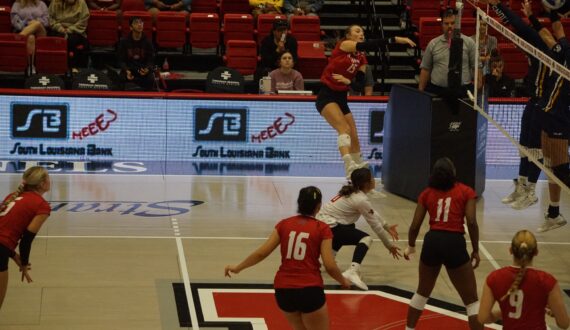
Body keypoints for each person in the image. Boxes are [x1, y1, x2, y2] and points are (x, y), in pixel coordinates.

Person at [224, 186, 351, 330]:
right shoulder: (322, 228)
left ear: (299, 203)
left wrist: (238, 267)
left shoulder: (284, 224)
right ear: (319, 206)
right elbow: (330, 265)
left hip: (283, 291)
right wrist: (343, 281)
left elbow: (261, 253)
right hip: (309, 290)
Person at [315, 24, 415, 179]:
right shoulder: (344, 45)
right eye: (357, 31)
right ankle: (348, 164)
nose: (361, 33)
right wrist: (395, 39)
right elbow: (369, 44)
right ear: (348, 35)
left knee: (353, 133)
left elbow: (359, 84)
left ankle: (358, 165)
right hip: (326, 95)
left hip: (342, 97)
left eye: (362, 31)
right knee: (344, 128)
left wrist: (347, 82)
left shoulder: (361, 58)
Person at [483, 0, 550, 216]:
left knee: (536, 148)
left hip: (545, 102)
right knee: (524, 145)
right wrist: (529, 15)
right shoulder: (533, 45)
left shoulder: (542, 48)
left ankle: (531, 190)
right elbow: (519, 27)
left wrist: (498, 5)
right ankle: (521, 185)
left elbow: (517, 25)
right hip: (533, 98)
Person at [404, 157, 482, 330]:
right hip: (454, 242)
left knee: (422, 292)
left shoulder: (427, 193)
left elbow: (415, 225)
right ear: (453, 173)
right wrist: (475, 250)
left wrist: (410, 246)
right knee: (471, 301)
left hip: (432, 241)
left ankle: (409, 329)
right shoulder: (466, 191)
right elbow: (471, 222)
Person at [316, 167, 401, 291]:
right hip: (328, 226)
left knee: (348, 226)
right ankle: (352, 271)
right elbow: (375, 226)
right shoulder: (360, 199)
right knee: (366, 238)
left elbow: (371, 212)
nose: (374, 180)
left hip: (324, 224)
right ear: (366, 183)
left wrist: (387, 226)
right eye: (372, 178)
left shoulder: (354, 192)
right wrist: (389, 246)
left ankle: (326, 258)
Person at [478, 229, 570, 329]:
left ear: (510, 250)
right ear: (536, 252)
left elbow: (483, 318)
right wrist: (555, 312)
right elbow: (564, 324)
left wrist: (502, 313)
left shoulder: (494, 278)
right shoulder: (547, 281)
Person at [0, 166, 51, 310]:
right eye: (48, 177)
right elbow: (27, 239)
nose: (50, 179)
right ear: (42, 184)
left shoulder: (11, 196)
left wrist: (14, 255)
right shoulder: (42, 205)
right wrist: (24, 263)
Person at [418, 8, 482, 97]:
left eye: (452, 23)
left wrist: (477, 90)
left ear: (457, 24)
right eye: (446, 23)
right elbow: (425, 69)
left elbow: (476, 67)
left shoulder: (469, 43)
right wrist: (420, 93)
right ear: (442, 24)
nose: (450, 26)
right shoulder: (433, 44)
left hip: (463, 91)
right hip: (437, 91)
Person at [48, 0, 90, 71]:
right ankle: (57, 67)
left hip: (76, 31)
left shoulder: (82, 3)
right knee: (57, 40)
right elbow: (50, 18)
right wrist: (60, 29)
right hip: (59, 29)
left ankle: (73, 67)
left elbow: (83, 21)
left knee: (71, 40)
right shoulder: (55, 2)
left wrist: (69, 30)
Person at [117, 16, 155, 91]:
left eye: (141, 22)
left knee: (151, 79)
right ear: (131, 27)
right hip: (129, 69)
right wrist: (127, 70)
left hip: (143, 70)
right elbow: (120, 60)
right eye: (136, 23)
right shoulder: (124, 42)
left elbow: (151, 59)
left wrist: (147, 69)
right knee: (120, 78)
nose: (139, 24)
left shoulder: (148, 42)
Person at [10, 0, 49, 72]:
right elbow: (14, 21)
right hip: (23, 29)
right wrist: (27, 25)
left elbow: (46, 21)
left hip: (40, 32)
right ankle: (31, 66)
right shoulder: (17, 4)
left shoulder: (41, 4)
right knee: (31, 37)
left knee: (37, 24)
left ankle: (16, 40)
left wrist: (36, 22)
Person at [257, 19, 298, 85]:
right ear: (274, 31)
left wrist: (285, 52)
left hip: (286, 69)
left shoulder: (291, 41)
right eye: (279, 30)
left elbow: (294, 59)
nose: (283, 33)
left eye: (284, 30)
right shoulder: (266, 41)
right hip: (270, 68)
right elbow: (265, 61)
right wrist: (277, 51)